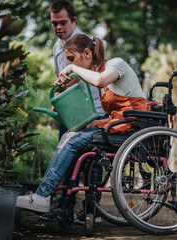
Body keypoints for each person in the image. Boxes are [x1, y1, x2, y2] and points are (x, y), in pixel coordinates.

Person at [16, 34, 150, 216]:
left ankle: (42, 196)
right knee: (68, 136)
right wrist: (61, 91)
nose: (69, 63)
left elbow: (99, 80)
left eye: (71, 58)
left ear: (87, 53)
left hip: (132, 129)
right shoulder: (101, 74)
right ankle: (55, 197)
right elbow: (118, 113)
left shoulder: (115, 65)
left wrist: (71, 68)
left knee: (72, 141)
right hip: (121, 126)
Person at [48, 0, 106, 223]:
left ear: (73, 20)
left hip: (91, 111)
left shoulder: (83, 44)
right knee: (66, 158)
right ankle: (65, 207)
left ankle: (93, 210)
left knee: (93, 162)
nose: (58, 27)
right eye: (54, 23)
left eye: (62, 22)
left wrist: (60, 90)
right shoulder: (57, 45)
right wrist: (56, 99)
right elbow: (59, 77)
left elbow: (74, 78)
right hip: (70, 112)